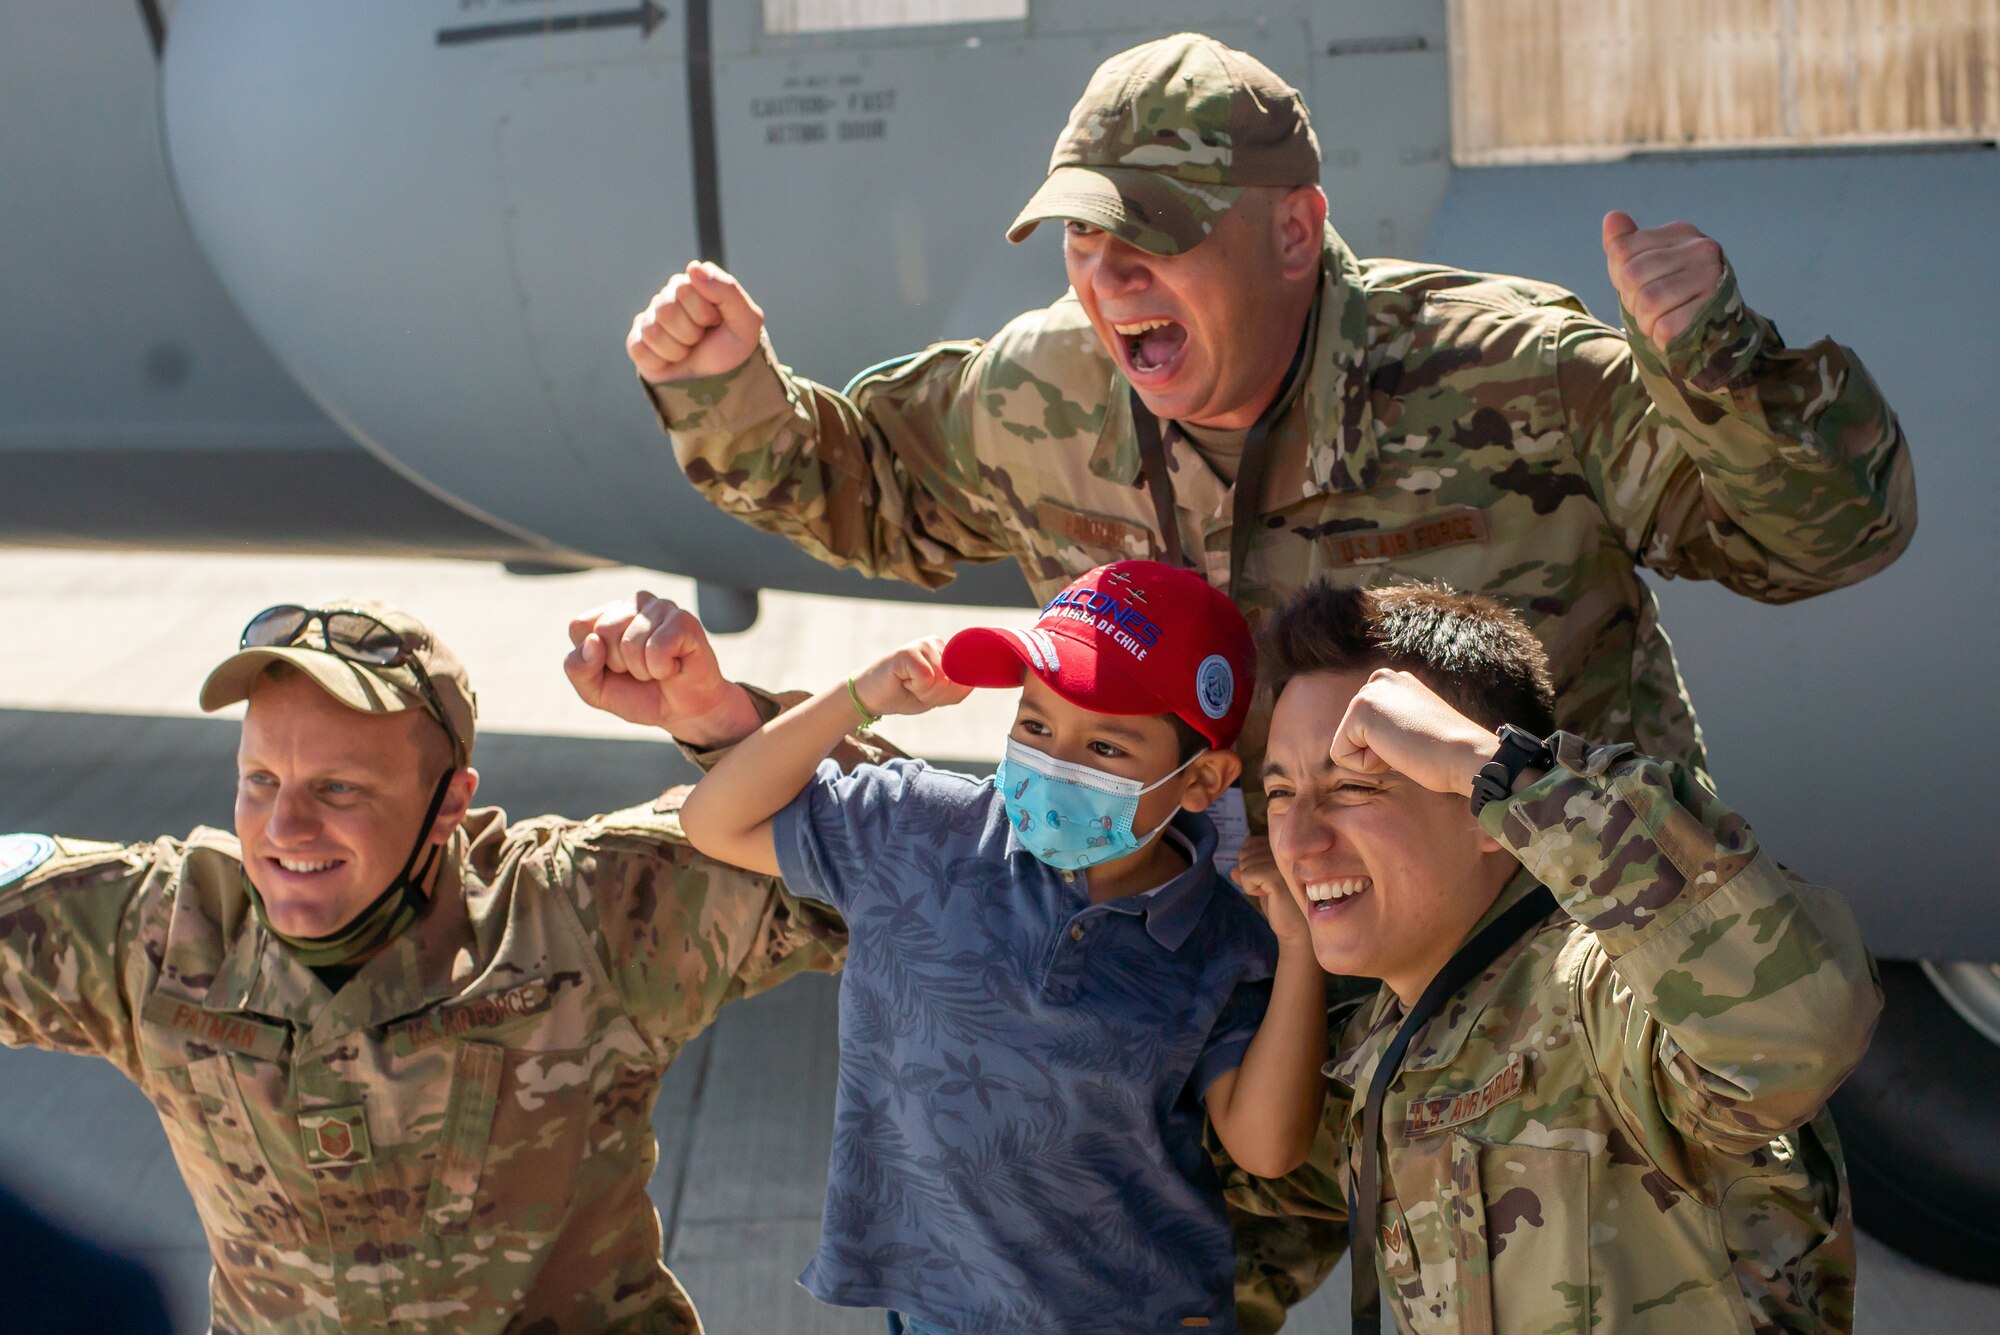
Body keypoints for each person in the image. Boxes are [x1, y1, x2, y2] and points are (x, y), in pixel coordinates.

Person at [626, 32, 1914, 1322]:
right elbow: (870, 490)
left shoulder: (1506, 375)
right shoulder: (1040, 395)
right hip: (1245, 994)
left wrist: (1719, 369)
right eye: (1082, 238)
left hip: (1545, 1020)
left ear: (1294, 234)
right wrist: (729, 396)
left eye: (1154, 235)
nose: (1109, 275)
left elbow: (1814, 537)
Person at [0, 597, 867, 1333]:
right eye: (260, 780)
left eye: (339, 790)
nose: (283, 830)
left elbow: (916, 879)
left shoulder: (581, 915)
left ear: (451, 801)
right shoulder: (162, 934)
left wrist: (723, 723)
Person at [678, 561, 1328, 1334]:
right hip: (940, 1314)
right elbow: (714, 821)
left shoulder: (1220, 937)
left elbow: (1265, 1147)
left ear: (1202, 780)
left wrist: (1300, 950)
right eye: (1036, 725)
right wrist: (859, 695)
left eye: (1108, 748)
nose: (1057, 762)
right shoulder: (915, 828)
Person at [1240, 580, 1878, 1332]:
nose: (1300, 840)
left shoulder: (1597, 994)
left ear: (1484, 811)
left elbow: (1797, 1025)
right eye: (1281, 794)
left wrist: (1500, 766)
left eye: (1353, 785)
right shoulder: (1390, 1038)